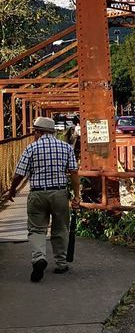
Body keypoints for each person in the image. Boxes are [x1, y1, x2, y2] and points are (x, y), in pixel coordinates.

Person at [8, 116, 80, 282]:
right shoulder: (65, 147)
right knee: (60, 228)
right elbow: (74, 172)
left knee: (36, 229)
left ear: (39, 132)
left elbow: (19, 173)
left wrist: (12, 190)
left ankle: (39, 257)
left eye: (35, 132)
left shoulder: (31, 148)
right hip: (60, 193)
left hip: (37, 194)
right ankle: (61, 264)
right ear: (52, 131)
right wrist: (77, 195)